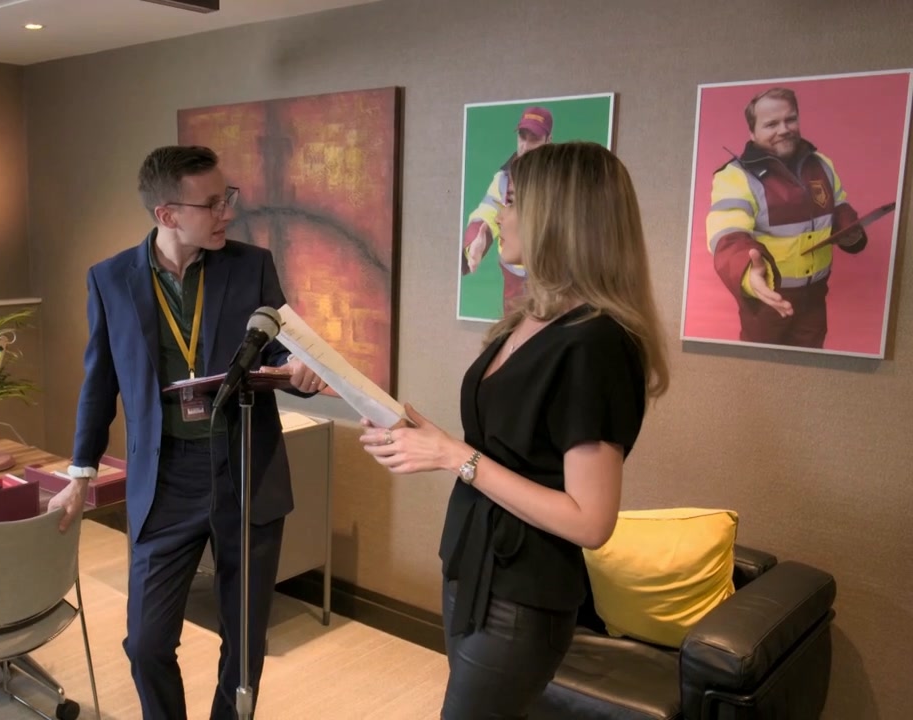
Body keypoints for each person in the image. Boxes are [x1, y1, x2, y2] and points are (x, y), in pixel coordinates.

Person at [363, 141, 669, 718]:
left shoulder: (597, 343)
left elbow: (591, 521)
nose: (500, 215)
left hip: (522, 595)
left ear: (558, 216)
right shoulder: (532, 316)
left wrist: (454, 456)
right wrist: (421, 436)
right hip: (469, 563)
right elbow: (506, 443)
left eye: (512, 202)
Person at [47, 145, 324, 720]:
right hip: (165, 480)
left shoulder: (252, 266)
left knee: (243, 647)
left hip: (244, 469)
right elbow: (100, 383)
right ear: (167, 214)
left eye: (227, 199)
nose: (228, 213)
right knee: (146, 644)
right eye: (213, 204)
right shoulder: (110, 280)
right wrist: (80, 474)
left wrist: (301, 367)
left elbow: (280, 348)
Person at [706, 86, 867, 348]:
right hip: (767, 300)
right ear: (752, 132)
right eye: (771, 124)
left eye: (790, 119)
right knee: (760, 369)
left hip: (815, 298)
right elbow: (727, 235)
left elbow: (838, 205)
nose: (784, 129)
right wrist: (748, 274)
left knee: (810, 367)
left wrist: (850, 230)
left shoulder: (822, 164)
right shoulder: (734, 176)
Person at [461, 106, 553, 314]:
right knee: (511, 326)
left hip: (549, 276)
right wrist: (474, 242)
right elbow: (487, 211)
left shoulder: (562, 181)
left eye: (534, 139)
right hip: (514, 276)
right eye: (522, 136)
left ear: (548, 140)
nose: (525, 146)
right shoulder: (503, 179)